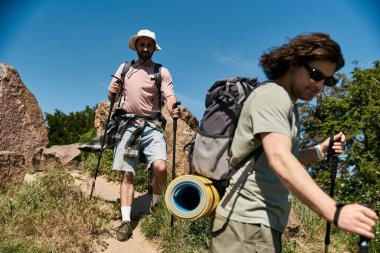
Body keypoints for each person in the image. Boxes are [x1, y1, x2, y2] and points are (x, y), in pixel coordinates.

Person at [211, 33, 378, 252]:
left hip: (259, 223)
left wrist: (321, 150)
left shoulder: (288, 106)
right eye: (316, 74)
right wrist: (334, 211)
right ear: (293, 63)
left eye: (327, 80)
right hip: (247, 223)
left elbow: (284, 156)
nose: (319, 85)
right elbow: (279, 158)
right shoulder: (274, 96)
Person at [108, 29, 179, 242]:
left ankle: (156, 204)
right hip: (127, 125)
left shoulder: (161, 71)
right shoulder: (125, 68)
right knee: (128, 174)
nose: (146, 49)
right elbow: (112, 94)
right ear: (137, 46)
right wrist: (112, 91)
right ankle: (126, 220)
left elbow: (170, 95)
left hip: (152, 126)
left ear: (153, 48)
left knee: (161, 167)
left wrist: (174, 107)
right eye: (142, 45)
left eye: (149, 45)